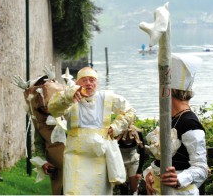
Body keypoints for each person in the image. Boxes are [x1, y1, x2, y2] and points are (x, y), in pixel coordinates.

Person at [48, 67, 137, 195]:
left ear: (97, 83)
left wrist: (116, 127)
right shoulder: (70, 97)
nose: (88, 83)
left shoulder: (107, 97)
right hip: (76, 155)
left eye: (92, 80)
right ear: (78, 83)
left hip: (99, 156)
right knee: (73, 191)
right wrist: (68, 96)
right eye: (84, 80)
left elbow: (130, 111)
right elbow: (53, 109)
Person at [144, 53, 209, 195]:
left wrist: (179, 179)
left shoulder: (190, 123)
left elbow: (201, 168)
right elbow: (165, 161)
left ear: (168, 91)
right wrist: (149, 173)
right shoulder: (169, 118)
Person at [12, 68, 65, 195]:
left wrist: (54, 81)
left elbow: (72, 95)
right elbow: (39, 143)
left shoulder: (69, 112)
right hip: (59, 171)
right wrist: (43, 162)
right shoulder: (40, 121)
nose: (45, 104)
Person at [116, 125, 145, 195]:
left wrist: (139, 170)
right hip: (120, 161)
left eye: (130, 139)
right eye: (126, 139)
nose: (128, 140)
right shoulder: (117, 136)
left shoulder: (138, 134)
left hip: (133, 160)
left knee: (134, 187)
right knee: (123, 186)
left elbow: (142, 152)